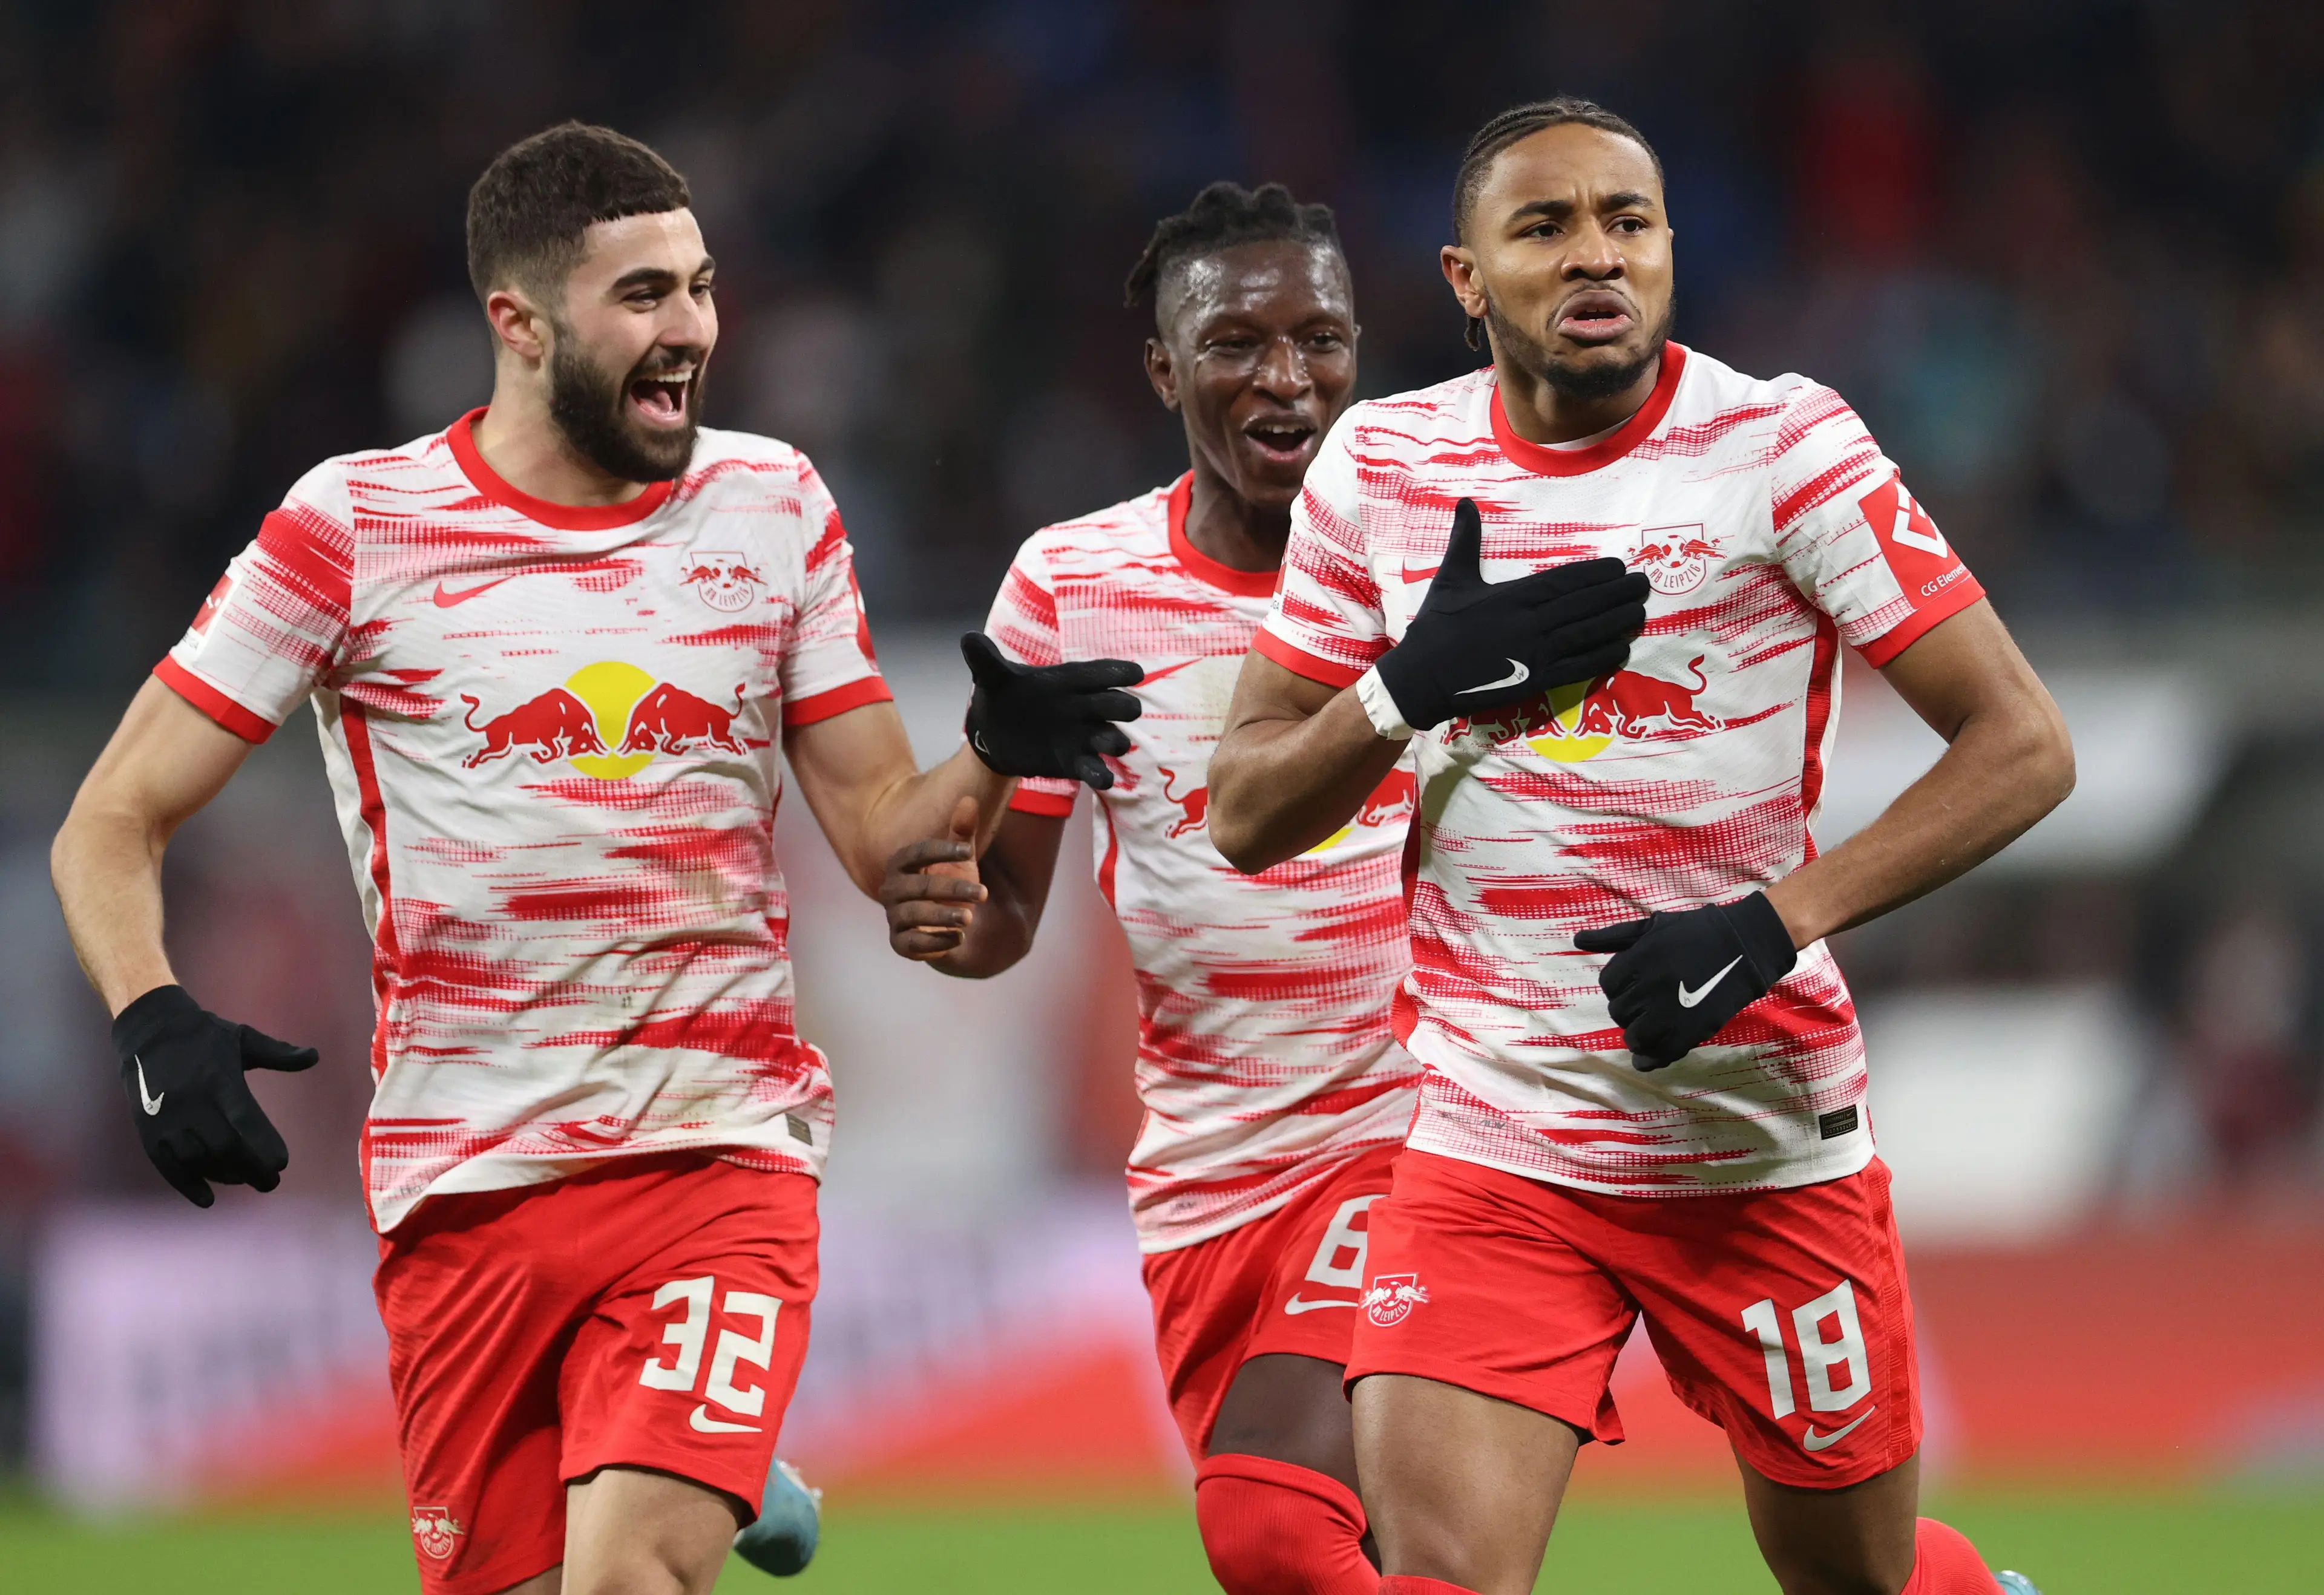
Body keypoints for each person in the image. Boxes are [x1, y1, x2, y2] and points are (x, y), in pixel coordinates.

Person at [48, 121, 1137, 1595]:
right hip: (466, 1187)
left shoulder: (770, 507)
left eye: (697, 287)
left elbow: (885, 831)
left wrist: (994, 752)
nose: (689, 327)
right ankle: (713, 1464)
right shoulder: (356, 531)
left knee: (627, 1580)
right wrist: (152, 1017)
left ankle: (689, 1460)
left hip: (713, 1153)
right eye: (641, 296)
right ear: (518, 321)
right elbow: (110, 819)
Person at [1207, 97, 2067, 1595]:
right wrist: (1400, 687)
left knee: (1855, 1581)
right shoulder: (1382, 468)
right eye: (1544, 227)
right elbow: (1246, 808)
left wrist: (1772, 924)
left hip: (1756, 1142)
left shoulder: (1781, 446)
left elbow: (2023, 745)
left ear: (1670, 251)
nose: (1595, 253)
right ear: (1467, 280)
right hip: (1495, 1144)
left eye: (1628, 221)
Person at [879, 182, 1416, 1595]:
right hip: (1210, 1177)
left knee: (1273, 1527)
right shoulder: (1071, 583)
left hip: (1417, 1131)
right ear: (1165, 368)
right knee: (1406, 1558)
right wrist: (951, 914)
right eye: (1238, 342)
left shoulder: (1432, 567)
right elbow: (1003, 916)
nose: (1287, 375)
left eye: (1321, 336)